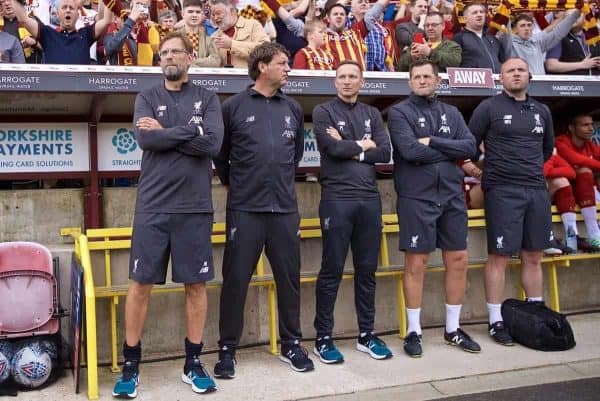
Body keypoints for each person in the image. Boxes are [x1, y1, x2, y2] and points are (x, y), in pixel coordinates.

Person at [112, 31, 224, 398]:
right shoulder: (147, 96)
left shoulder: (207, 98)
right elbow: (147, 140)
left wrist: (169, 132)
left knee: (195, 285)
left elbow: (213, 144)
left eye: (176, 52)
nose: (170, 57)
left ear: (190, 57)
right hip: (153, 206)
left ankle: (193, 362)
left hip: (194, 207)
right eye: (164, 53)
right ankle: (131, 364)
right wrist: (189, 132)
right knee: (140, 284)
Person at [213, 42, 313, 378]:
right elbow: (220, 156)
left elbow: (295, 154)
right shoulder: (234, 107)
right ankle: (227, 349)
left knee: (289, 280)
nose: (288, 68)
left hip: (284, 209)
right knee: (236, 281)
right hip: (245, 210)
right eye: (283, 63)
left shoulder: (293, 108)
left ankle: (291, 344)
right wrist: (238, 186)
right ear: (262, 67)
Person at [388, 59, 480, 358]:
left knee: (458, 259)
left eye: (427, 76)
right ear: (410, 81)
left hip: (452, 195)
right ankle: (414, 331)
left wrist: (434, 141)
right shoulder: (400, 112)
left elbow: (470, 148)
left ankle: (452, 329)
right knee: (417, 263)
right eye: (416, 77)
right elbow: (410, 151)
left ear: (437, 80)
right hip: (417, 196)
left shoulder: (451, 112)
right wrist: (447, 149)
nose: (422, 80)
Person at [468, 57, 554, 346]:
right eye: (509, 71)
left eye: (520, 70)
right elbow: (468, 145)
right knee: (500, 257)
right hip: (502, 191)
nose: (516, 74)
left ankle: (535, 311)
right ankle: (495, 320)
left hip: (536, 190)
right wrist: (480, 172)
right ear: (500, 78)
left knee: (533, 255)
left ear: (529, 75)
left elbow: (546, 150)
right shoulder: (488, 108)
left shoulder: (541, 110)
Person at [311, 61, 392, 364]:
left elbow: (384, 153)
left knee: (367, 270)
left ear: (361, 81)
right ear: (335, 82)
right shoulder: (323, 111)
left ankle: (366, 334)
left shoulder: (371, 113)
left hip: (369, 200)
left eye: (352, 77)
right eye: (342, 77)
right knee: (332, 269)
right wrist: (363, 146)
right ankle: (323, 337)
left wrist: (350, 146)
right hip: (337, 199)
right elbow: (330, 148)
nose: (347, 81)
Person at [11, 0, 113, 64]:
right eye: (64, 7)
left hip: (80, 93)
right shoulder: (47, 34)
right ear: (57, 14)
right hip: (53, 93)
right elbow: (23, 19)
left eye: (71, 8)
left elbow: (106, 20)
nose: (68, 10)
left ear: (78, 15)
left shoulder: (86, 34)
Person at [555, 113, 600, 250]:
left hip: (585, 193)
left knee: (586, 173)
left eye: (591, 124)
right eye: (585, 125)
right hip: (560, 191)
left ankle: (594, 236)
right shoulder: (561, 142)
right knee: (583, 172)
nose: (591, 128)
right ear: (572, 128)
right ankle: (573, 238)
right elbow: (576, 160)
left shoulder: (590, 145)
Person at [498, 10, 582, 75]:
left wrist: (577, 13)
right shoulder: (510, 44)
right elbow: (505, 33)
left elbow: (558, 33)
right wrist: (505, 10)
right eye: (522, 25)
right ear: (515, 29)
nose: (526, 28)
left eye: (529, 25)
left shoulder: (538, 43)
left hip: (540, 86)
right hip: (519, 86)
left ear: (533, 27)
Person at [209, 0, 270, 67]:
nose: (215, 18)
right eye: (213, 15)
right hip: (224, 77)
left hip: (250, 76)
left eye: (218, 13)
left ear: (232, 11)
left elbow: (266, 51)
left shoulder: (253, 25)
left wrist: (232, 44)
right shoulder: (214, 37)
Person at [453, 3, 504, 72]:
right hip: (472, 81)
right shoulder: (459, 38)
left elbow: (502, 62)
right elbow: (453, 65)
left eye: (481, 12)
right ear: (465, 19)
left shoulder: (493, 39)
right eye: (474, 13)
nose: (479, 15)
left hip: (496, 81)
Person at [179, 0, 220, 67]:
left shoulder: (209, 36)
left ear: (202, 14)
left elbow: (216, 61)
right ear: (182, 14)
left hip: (202, 77)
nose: (194, 15)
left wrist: (193, 61)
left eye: (198, 12)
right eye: (190, 12)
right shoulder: (175, 36)